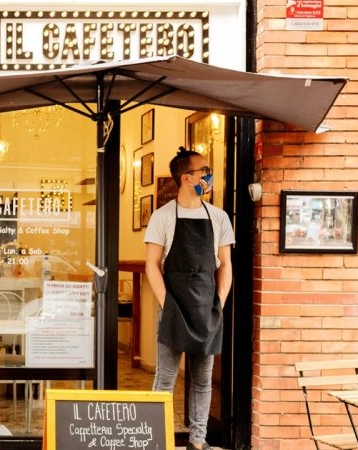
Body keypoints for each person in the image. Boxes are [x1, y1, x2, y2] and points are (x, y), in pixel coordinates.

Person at [143, 147, 235, 450]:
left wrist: (217, 306)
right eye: (204, 170)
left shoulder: (219, 217)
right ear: (186, 177)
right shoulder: (162, 216)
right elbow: (152, 266)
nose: (209, 175)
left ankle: (198, 440)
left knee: (203, 380)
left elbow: (226, 267)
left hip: (207, 309)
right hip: (173, 308)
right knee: (165, 379)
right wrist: (167, 304)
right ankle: (157, 439)